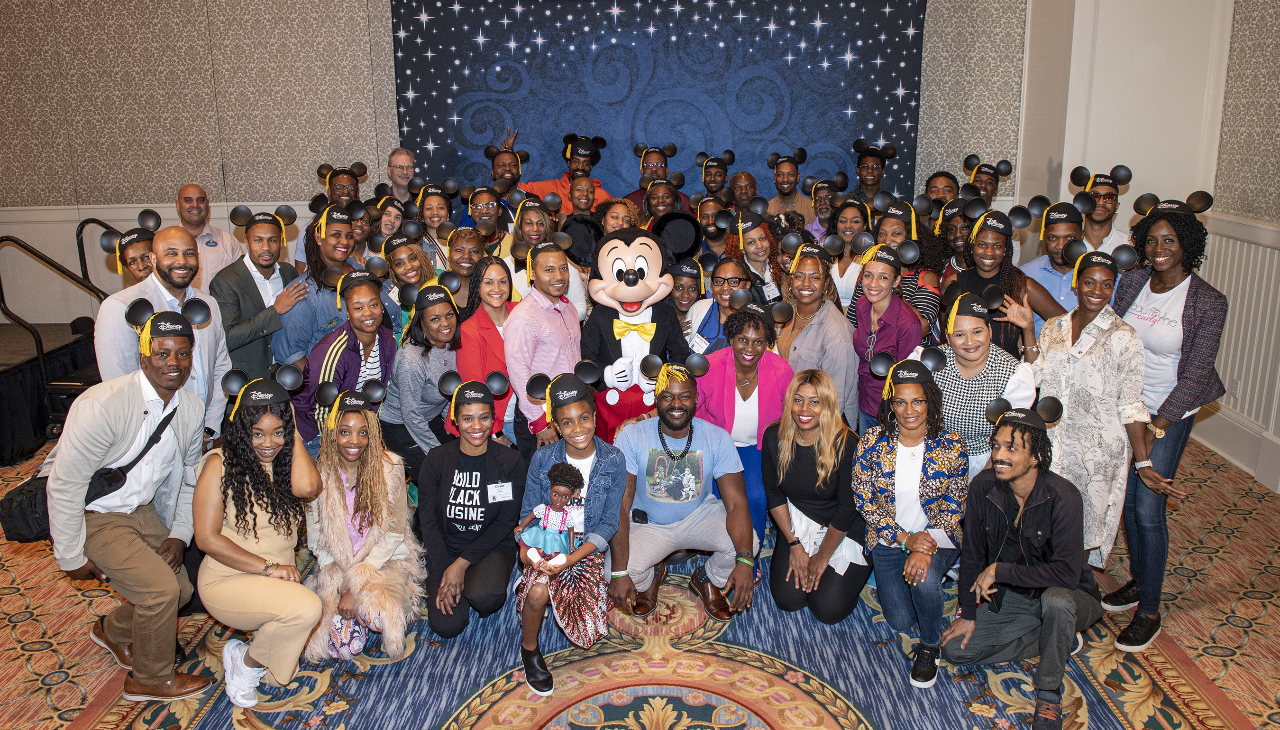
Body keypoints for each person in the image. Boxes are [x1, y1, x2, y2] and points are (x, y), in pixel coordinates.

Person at [46, 314, 212, 702]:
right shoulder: (102, 404)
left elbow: (190, 478)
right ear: (143, 358)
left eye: (182, 353)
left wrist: (178, 534)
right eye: (162, 353)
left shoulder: (189, 407)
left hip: (141, 510)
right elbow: (65, 484)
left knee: (182, 588)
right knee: (158, 591)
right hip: (97, 514)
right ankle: (149, 679)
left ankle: (112, 630)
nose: (173, 362)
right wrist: (69, 554)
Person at [1107, 196, 1227, 653]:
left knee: (1147, 507)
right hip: (1127, 403)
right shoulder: (1133, 280)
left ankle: (1150, 611)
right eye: (1152, 240)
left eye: (1170, 240)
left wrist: (1157, 424)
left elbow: (1197, 370)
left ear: (1188, 245)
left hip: (1169, 410)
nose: (1159, 249)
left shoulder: (1207, 301)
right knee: (1127, 500)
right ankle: (1139, 581)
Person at [941, 406, 1102, 730]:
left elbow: (1067, 575)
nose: (999, 455)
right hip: (1014, 596)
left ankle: (1048, 693)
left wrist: (1001, 570)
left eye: (1012, 448)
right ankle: (1058, 637)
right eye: (997, 445)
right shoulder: (983, 487)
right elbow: (972, 555)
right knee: (955, 653)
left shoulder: (1064, 497)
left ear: (1037, 457)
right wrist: (969, 614)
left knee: (1056, 602)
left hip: (1070, 594)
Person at [193, 378, 322, 706]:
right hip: (228, 578)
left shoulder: (283, 461)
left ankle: (245, 648)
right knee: (308, 608)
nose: (268, 442)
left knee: (280, 676)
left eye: (277, 431)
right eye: (258, 433)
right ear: (242, 430)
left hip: (276, 576)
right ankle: (245, 663)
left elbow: (309, 488)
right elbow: (207, 539)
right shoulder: (218, 464)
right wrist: (268, 568)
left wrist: (292, 433)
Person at [1021, 251, 1150, 569]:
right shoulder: (1054, 327)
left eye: (1106, 285)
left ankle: (1066, 599)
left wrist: (1143, 461)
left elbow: (1131, 404)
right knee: (1044, 524)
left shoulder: (1125, 338)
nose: (1097, 290)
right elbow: (1035, 374)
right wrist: (1026, 328)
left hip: (1097, 453)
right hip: (1053, 444)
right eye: (1090, 282)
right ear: (1077, 284)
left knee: (1078, 532)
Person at [610, 365, 759, 620]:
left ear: (696, 399)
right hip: (649, 524)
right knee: (618, 572)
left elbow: (736, 503)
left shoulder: (718, 437)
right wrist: (619, 573)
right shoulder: (632, 436)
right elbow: (622, 503)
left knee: (748, 546)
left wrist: (745, 561)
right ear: (656, 399)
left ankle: (706, 579)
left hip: (699, 515)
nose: (676, 403)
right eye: (667, 396)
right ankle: (652, 577)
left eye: (684, 396)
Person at [853, 360, 967, 688]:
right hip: (891, 540)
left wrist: (924, 545)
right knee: (899, 619)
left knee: (925, 580)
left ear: (930, 401)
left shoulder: (951, 444)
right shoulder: (872, 441)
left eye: (917, 401)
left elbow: (954, 505)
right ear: (891, 405)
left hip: (938, 536)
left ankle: (930, 645)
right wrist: (905, 540)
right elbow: (865, 500)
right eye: (900, 402)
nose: (909, 410)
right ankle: (920, 588)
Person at [518, 376, 626, 694]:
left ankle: (561, 592)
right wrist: (530, 555)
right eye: (567, 422)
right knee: (537, 592)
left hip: (585, 549)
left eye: (583, 418)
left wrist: (570, 559)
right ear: (556, 425)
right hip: (549, 544)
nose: (577, 428)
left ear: (594, 416)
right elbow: (530, 517)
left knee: (587, 631)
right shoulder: (543, 459)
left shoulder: (613, 460)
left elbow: (608, 523)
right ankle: (529, 649)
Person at [304, 390, 425, 662]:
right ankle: (347, 616)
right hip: (336, 564)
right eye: (345, 432)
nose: (354, 441)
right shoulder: (320, 472)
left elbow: (393, 533)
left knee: (379, 618)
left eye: (362, 432)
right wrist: (341, 580)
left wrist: (354, 588)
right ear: (333, 434)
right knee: (344, 648)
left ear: (372, 435)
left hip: (381, 563)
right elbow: (316, 537)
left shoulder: (390, 467)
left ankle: (364, 611)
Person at [96, 226, 232, 439]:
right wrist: (160, 436)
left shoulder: (208, 304)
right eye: (171, 253)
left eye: (189, 253)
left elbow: (221, 367)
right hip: (150, 437)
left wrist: (209, 427)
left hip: (201, 433)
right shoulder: (120, 307)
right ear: (152, 258)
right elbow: (119, 386)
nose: (182, 261)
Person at [419, 380, 527, 639]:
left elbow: (505, 522)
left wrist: (461, 565)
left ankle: (473, 582)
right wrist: (447, 568)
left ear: (493, 419)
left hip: (489, 547)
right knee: (446, 627)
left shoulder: (510, 461)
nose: (476, 427)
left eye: (484, 418)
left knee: (486, 597)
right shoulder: (436, 459)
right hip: (444, 546)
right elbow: (427, 521)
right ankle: (457, 583)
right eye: (468, 418)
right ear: (455, 421)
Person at [764, 370, 869, 625]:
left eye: (815, 401)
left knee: (827, 609)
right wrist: (794, 544)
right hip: (798, 521)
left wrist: (821, 557)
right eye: (798, 399)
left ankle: (857, 575)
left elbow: (847, 509)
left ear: (828, 405)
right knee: (788, 600)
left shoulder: (847, 443)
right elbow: (774, 494)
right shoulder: (774, 436)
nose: (805, 409)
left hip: (841, 525)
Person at [695, 305, 794, 550]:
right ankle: (722, 555)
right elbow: (693, 410)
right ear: (731, 338)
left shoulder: (781, 370)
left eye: (758, 342)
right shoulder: (710, 365)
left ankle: (749, 558)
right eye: (743, 340)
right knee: (718, 501)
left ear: (768, 343)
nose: (749, 349)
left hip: (757, 449)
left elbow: (790, 416)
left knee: (757, 499)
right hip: (717, 447)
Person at [918, 294, 1035, 480]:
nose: (970, 342)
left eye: (977, 332)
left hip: (986, 464)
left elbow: (1008, 439)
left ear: (989, 330)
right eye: (959, 335)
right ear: (948, 337)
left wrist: (981, 484)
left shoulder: (1012, 373)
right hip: (932, 457)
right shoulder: (930, 361)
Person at [292, 272, 396, 457]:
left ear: (381, 306)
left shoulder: (388, 340)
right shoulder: (331, 350)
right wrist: (337, 453)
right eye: (358, 308)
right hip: (318, 435)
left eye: (373, 305)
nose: (368, 313)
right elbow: (321, 412)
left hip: (358, 431)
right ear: (347, 313)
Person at [941, 212, 1066, 359]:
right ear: (972, 246)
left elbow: (1067, 324)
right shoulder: (954, 282)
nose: (989, 252)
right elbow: (946, 332)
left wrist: (1033, 338)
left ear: (1006, 250)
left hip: (1008, 375)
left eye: (997, 246)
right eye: (982, 245)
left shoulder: (1022, 285)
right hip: (964, 373)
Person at [505, 241, 581, 459]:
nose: (558, 276)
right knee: (544, 486)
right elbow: (519, 375)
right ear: (532, 274)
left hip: (569, 407)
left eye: (563, 268)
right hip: (541, 417)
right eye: (549, 270)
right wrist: (540, 424)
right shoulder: (524, 317)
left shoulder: (568, 308)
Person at [211, 211, 307, 380]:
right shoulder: (226, 281)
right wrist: (274, 311)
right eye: (258, 240)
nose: (266, 247)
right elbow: (228, 338)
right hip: (246, 380)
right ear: (246, 243)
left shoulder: (288, 272)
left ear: (282, 242)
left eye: (273, 240)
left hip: (288, 378)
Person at [774, 247, 861, 428]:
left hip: (820, 427)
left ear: (826, 283)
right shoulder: (785, 313)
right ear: (790, 280)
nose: (806, 283)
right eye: (799, 276)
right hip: (788, 419)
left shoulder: (837, 333)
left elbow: (835, 401)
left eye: (815, 277)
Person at [380, 284, 460, 478]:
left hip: (429, 418)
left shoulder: (450, 344)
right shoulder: (411, 359)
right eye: (435, 319)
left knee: (459, 464)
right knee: (439, 475)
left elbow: (447, 396)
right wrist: (436, 454)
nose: (445, 323)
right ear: (422, 324)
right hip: (398, 424)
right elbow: (410, 414)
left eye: (449, 315)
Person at [272, 203, 362, 369]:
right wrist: (322, 385)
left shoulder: (361, 269)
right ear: (318, 238)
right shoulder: (303, 292)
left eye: (349, 236)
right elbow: (290, 354)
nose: (344, 241)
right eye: (336, 235)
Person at [846, 201, 945, 344]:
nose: (887, 240)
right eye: (882, 234)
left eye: (896, 233)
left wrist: (892, 290)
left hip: (910, 356)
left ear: (911, 237)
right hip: (869, 351)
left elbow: (922, 329)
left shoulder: (925, 278)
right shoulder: (868, 275)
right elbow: (852, 321)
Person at [851, 246, 924, 432]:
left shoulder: (908, 324)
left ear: (896, 281)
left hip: (892, 412)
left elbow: (908, 380)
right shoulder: (862, 306)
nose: (873, 283)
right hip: (864, 402)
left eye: (883, 277)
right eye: (868, 275)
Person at [457, 256, 517, 444]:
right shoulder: (469, 330)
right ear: (477, 286)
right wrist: (495, 433)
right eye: (488, 283)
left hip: (536, 411)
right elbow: (475, 389)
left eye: (502, 282)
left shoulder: (522, 312)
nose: (497, 289)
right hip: (505, 421)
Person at [1021, 202, 1088, 335]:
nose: (1060, 246)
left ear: (1082, 236)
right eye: (1053, 238)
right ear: (1044, 237)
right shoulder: (1025, 274)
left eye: (1069, 238)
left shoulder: (1098, 277)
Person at [518, 133, 612, 218]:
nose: (580, 167)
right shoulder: (548, 188)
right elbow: (514, 191)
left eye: (586, 163)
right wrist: (509, 157)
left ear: (591, 166)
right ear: (568, 163)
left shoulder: (604, 196)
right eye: (576, 161)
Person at [174, 184, 243, 291]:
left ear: (207, 204)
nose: (195, 205)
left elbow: (243, 281)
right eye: (188, 200)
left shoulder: (228, 241)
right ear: (177, 204)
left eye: (200, 200)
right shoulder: (165, 243)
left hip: (219, 307)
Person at [684, 257, 755, 355]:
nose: (725, 287)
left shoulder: (758, 318)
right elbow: (682, 352)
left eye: (733, 282)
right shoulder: (698, 309)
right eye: (719, 281)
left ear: (747, 285)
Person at [723, 212, 786, 302]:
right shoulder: (738, 278)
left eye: (762, 238)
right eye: (751, 242)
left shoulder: (781, 268)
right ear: (742, 248)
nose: (759, 245)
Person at [380, 233, 432, 338]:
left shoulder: (439, 278)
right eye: (399, 264)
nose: (408, 266)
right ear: (392, 269)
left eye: (412, 258)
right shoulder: (387, 297)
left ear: (420, 257)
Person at [825, 200, 872, 304]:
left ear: (864, 226)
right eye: (842, 221)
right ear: (836, 225)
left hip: (860, 317)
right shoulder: (825, 255)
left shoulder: (871, 258)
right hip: (828, 317)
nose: (848, 225)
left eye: (855, 221)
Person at [1077, 168, 1129, 254]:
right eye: (1094, 196)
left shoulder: (1128, 245)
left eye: (1109, 197)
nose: (1101, 202)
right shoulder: (1069, 241)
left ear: (1117, 206)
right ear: (1083, 202)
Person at [623, 146, 692, 211]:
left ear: (667, 171)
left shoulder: (682, 200)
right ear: (642, 172)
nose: (654, 169)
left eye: (659, 165)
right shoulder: (630, 202)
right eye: (649, 165)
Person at [413, 182, 456, 271]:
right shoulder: (415, 248)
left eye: (440, 207)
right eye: (429, 208)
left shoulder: (460, 242)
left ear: (448, 214)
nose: (435, 212)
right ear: (422, 216)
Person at [441, 227, 485, 310]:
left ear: (483, 256)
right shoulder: (433, 287)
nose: (466, 256)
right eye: (459, 250)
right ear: (449, 255)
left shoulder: (493, 288)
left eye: (474, 251)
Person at [766, 152, 814, 223]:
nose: (785, 179)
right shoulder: (767, 210)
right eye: (780, 174)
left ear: (798, 178)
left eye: (791, 174)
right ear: (775, 178)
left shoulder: (811, 209)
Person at [936, 198, 974, 282]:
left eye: (964, 228)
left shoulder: (986, 268)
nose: (958, 234)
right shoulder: (940, 270)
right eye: (951, 230)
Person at [849, 140, 894, 205]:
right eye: (865, 166)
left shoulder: (891, 202)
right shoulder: (847, 202)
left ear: (882, 171)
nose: (870, 170)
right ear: (858, 171)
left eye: (875, 166)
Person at [669, 259, 703, 336]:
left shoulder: (704, 316)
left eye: (692, 288)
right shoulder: (657, 318)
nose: (685, 295)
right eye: (679, 288)